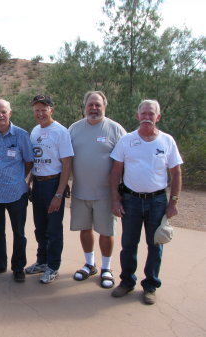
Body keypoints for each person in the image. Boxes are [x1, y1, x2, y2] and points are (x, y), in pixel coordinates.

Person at [110, 99, 183, 305]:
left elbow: (176, 173)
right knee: (128, 244)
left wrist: (173, 202)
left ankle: (150, 286)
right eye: (143, 113)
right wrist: (115, 200)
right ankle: (126, 282)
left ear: (158, 117)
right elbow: (116, 171)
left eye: (151, 114)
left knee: (155, 245)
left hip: (157, 201)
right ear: (137, 116)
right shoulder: (126, 140)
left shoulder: (167, 141)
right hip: (131, 200)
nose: (147, 117)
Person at [68, 91, 126, 289]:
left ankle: (106, 268)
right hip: (80, 192)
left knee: (106, 231)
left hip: (106, 194)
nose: (94, 108)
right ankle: (89, 264)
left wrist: (120, 192)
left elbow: (125, 161)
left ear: (104, 107)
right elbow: (66, 159)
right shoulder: (74, 129)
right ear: (84, 107)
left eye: (97, 105)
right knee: (84, 229)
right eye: (90, 105)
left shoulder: (116, 130)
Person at [0, 99, 34, 282]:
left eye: (4, 112)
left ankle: (18, 267)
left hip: (16, 192)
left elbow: (29, 162)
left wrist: (21, 180)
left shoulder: (21, 135)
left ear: (10, 113)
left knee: (19, 232)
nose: (0, 115)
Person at [25, 95, 74, 284]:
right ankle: (42, 261)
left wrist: (59, 194)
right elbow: (34, 160)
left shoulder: (60, 131)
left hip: (53, 184)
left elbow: (67, 164)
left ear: (51, 110)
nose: (40, 113)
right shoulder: (35, 131)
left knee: (54, 229)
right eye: (36, 110)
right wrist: (29, 181)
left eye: (43, 109)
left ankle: (53, 266)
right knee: (40, 227)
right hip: (38, 183)